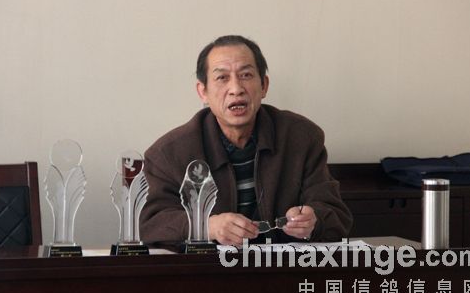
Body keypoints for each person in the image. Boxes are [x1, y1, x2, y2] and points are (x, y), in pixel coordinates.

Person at [140, 35, 352, 246]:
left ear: (264, 86)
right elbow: (150, 226)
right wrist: (207, 226)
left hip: (282, 264)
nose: (236, 89)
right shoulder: (168, 153)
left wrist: (314, 221)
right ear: (203, 92)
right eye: (222, 78)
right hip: (211, 266)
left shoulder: (302, 137)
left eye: (246, 75)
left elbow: (336, 215)